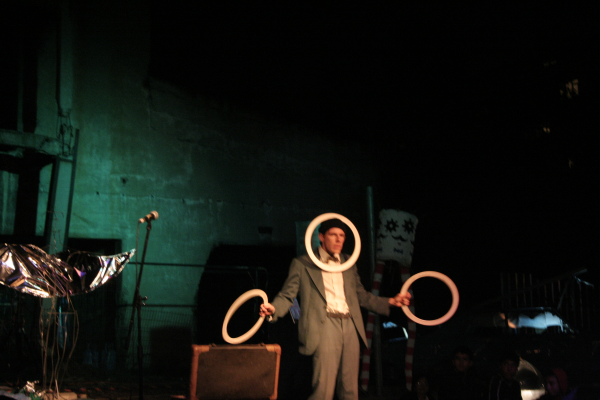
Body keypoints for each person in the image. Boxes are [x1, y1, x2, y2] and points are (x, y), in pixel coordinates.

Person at [259, 218, 411, 400]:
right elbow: (287, 295)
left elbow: (362, 296)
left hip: (350, 326)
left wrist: (390, 301)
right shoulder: (303, 264)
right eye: (333, 235)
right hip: (325, 326)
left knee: (350, 390)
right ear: (321, 237)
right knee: (323, 390)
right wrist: (274, 308)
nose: (339, 239)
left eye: (342, 235)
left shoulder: (348, 262)